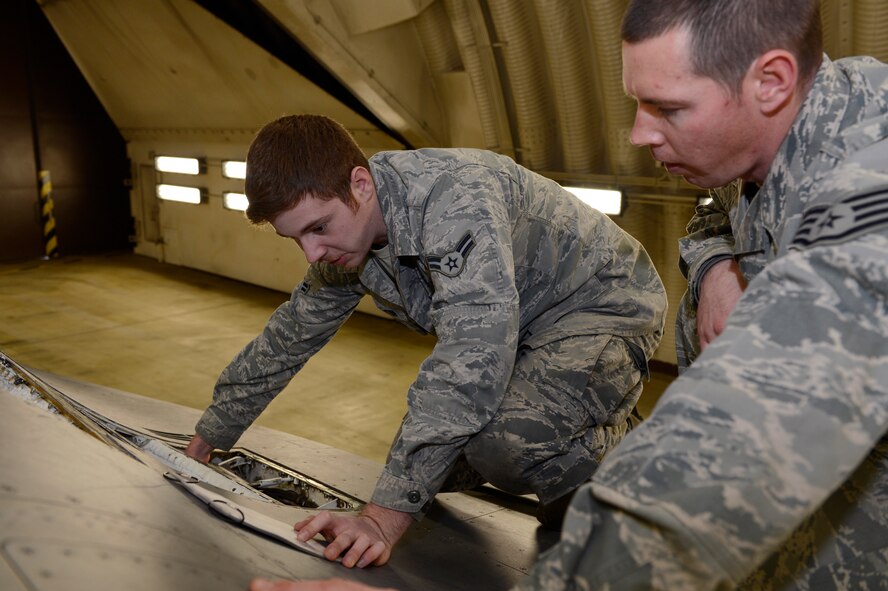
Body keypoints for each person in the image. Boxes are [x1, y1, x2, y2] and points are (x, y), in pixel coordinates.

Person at [246, 0, 888, 588]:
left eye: (667, 107)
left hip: (849, 528)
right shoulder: (776, 136)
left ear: (770, 82)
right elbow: (713, 210)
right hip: (804, 501)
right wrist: (719, 263)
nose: (638, 135)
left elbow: (716, 463)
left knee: (512, 442)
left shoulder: (867, 192)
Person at [184, 114, 667, 569]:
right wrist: (213, 433)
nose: (313, 252)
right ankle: (568, 414)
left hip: (601, 309)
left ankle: (622, 447)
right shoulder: (348, 234)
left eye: (318, 228)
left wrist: (381, 520)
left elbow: (471, 355)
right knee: (436, 461)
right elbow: (291, 335)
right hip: (521, 330)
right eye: (297, 239)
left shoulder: (451, 199)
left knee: (506, 445)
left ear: (359, 183)